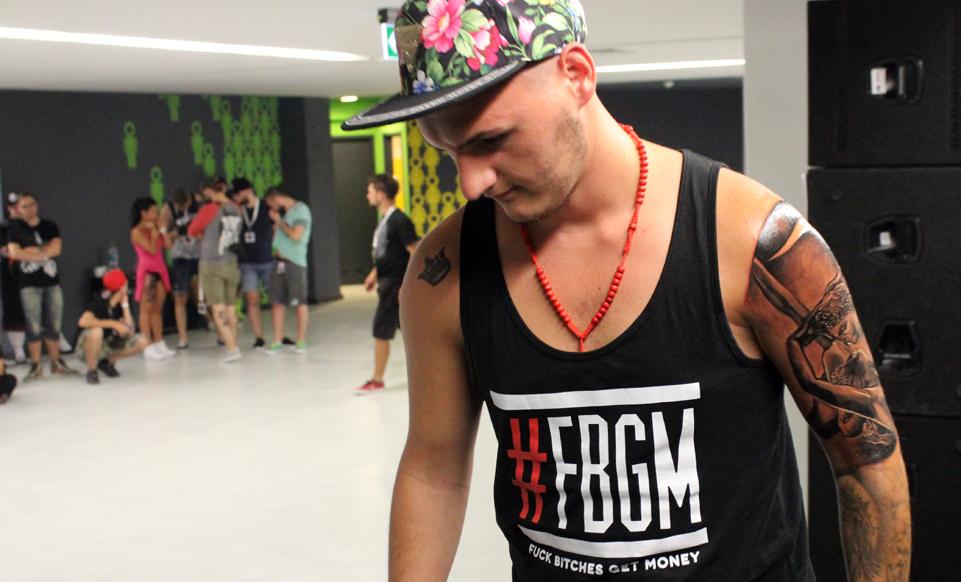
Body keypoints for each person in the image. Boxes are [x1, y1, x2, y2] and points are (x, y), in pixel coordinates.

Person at [341, 1, 911, 581]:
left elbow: (867, 460)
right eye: (448, 152)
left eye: (492, 140)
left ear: (576, 75)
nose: (471, 182)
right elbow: (434, 471)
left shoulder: (750, 239)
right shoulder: (443, 271)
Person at [5, 191, 79, 380]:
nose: (29, 209)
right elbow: (15, 253)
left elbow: (56, 249)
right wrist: (43, 251)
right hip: (28, 283)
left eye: (31, 204)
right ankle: (36, 365)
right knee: (33, 325)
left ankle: (56, 362)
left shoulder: (49, 226)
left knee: (54, 322)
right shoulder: (15, 229)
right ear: (18, 209)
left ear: (36, 205)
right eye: (24, 206)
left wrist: (31, 251)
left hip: (52, 282)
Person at [356, 174, 418, 394]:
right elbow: (389, 252)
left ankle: (377, 379)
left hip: (394, 284)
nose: (368, 195)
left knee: (381, 331)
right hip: (387, 282)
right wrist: (374, 273)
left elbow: (414, 251)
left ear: (381, 194)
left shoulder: (399, 220)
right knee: (412, 332)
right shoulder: (386, 220)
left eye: (370, 191)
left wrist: (406, 285)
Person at [188, 177, 243, 362]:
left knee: (218, 308)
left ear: (208, 190)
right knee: (231, 308)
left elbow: (192, 230)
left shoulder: (208, 209)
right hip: (231, 262)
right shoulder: (236, 208)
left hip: (212, 264)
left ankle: (232, 349)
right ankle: (232, 345)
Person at [76, 269, 149, 384]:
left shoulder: (121, 303)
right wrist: (113, 324)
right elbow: (83, 321)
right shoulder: (100, 302)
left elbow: (129, 330)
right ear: (122, 287)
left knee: (142, 341)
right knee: (96, 332)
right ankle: (92, 370)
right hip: (87, 347)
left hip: (108, 343)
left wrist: (125, 306)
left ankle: (105, 362)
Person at [263, 186, 312, 355]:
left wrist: (279, 222)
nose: (271, 208)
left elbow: (296, 235)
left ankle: (301, 340)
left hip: (295, 262)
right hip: (279, 261)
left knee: (299, 302)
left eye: (271, 204)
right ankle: (277, 340)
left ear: (276, 198)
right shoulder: (285, 213)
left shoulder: (301, 210)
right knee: (277, 301)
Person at [231, 178, 274, 349]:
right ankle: (259, 337)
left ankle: (279, 335)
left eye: (237, 194)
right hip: (247, 262)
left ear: (247, 191)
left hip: (267, 260)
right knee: (252, 300)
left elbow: (275, 226)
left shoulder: (264, 206)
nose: (235, 198)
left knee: (275, 299)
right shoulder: (237, 210)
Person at [130, 197, 174, 360]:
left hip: (160, 271)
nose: (157, 215)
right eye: (154, 212)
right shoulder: (137, 232)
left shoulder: (156, 227)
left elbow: (168, 245)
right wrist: (154, 235)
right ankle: (147, 345)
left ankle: (159, 342)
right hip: (148, 273)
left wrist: (162, 230)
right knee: (146, 310)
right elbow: (151, 249)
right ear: (144, 213)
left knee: (157, 310)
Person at [160, 187, 203, 350]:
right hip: (181, 256)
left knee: (210, 293)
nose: (181, 208)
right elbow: (166, 239)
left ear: (189, 200)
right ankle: (183, 337)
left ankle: (220, 332)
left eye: (183, 205)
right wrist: (176, 232)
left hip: (200, 253)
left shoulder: (199, 202)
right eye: (178, 206)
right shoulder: (168, 209)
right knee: (180, 297)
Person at [0, 192, 27, 364]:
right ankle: (18, 349)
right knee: (14, 309)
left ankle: (56, 339)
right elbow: (5, 251)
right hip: (11, 275)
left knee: (48, 304)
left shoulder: (36, 226)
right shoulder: (4, 228)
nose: (17, 209)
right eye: (14, 206)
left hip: (39, 275)